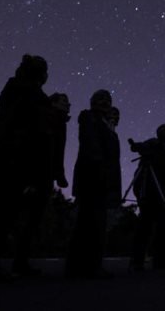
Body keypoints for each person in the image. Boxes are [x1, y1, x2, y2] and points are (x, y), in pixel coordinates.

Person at [0, 54, 50, 283]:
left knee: (1, 217)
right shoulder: (24, 92)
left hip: (9, 159)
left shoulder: (17, 90)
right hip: (11, 161)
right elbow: (25, 128)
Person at [12, 92, 71, 276]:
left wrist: (59, 174)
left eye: (67, 102)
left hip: (45, 176)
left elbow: (57, 151)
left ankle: (21, 262)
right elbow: (37, 147)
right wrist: (30, 179)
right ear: (52, 102)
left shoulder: (59, 121)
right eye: (62, 101)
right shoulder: (46, 117)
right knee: (26, 219)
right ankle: (18, 263)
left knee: (33, 220)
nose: (67, 104)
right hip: (36, 175)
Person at [66, 90, 122, 279]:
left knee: (97, 223)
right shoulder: (89, 117)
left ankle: (90, 264)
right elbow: (92, 147)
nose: (105, 102)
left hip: (103, 180)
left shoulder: (109, 127)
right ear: (92, 102)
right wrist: (101, 172)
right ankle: (80, 266)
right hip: (92, 178)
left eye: (108, 99)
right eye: (100, 99)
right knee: (87, 223)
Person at [128, 123, 165, 270]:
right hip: (149, 190)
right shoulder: (152, 144)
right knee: (145, 226)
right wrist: (137, 147)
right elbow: (138, 147)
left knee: (164, 228)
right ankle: (136, 261)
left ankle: (160, 260)